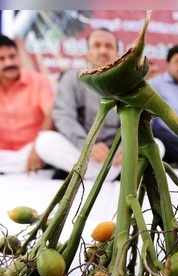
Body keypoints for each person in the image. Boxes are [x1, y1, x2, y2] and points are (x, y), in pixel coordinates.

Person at [35, 28, 122, 180]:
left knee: (156, 144)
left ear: (118, 54)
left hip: (115, 155)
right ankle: (106, 175)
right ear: (87, 53)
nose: (103, 50)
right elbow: (64, 116)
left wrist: (121, 150)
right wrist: (88, 146)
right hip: (81, 150)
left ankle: (99, 173)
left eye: (109, 46)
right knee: (45, 141)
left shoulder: (128, 83)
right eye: (97, 45)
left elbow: (137, 122)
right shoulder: (72, 78)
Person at [0, 35, 54, 174]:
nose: (9, 63)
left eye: (12, 56)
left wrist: (36, 149)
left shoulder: (39, 81)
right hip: (3, 155)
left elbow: (51, 115)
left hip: (32, 152)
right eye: (2, 59)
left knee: (49, 144)